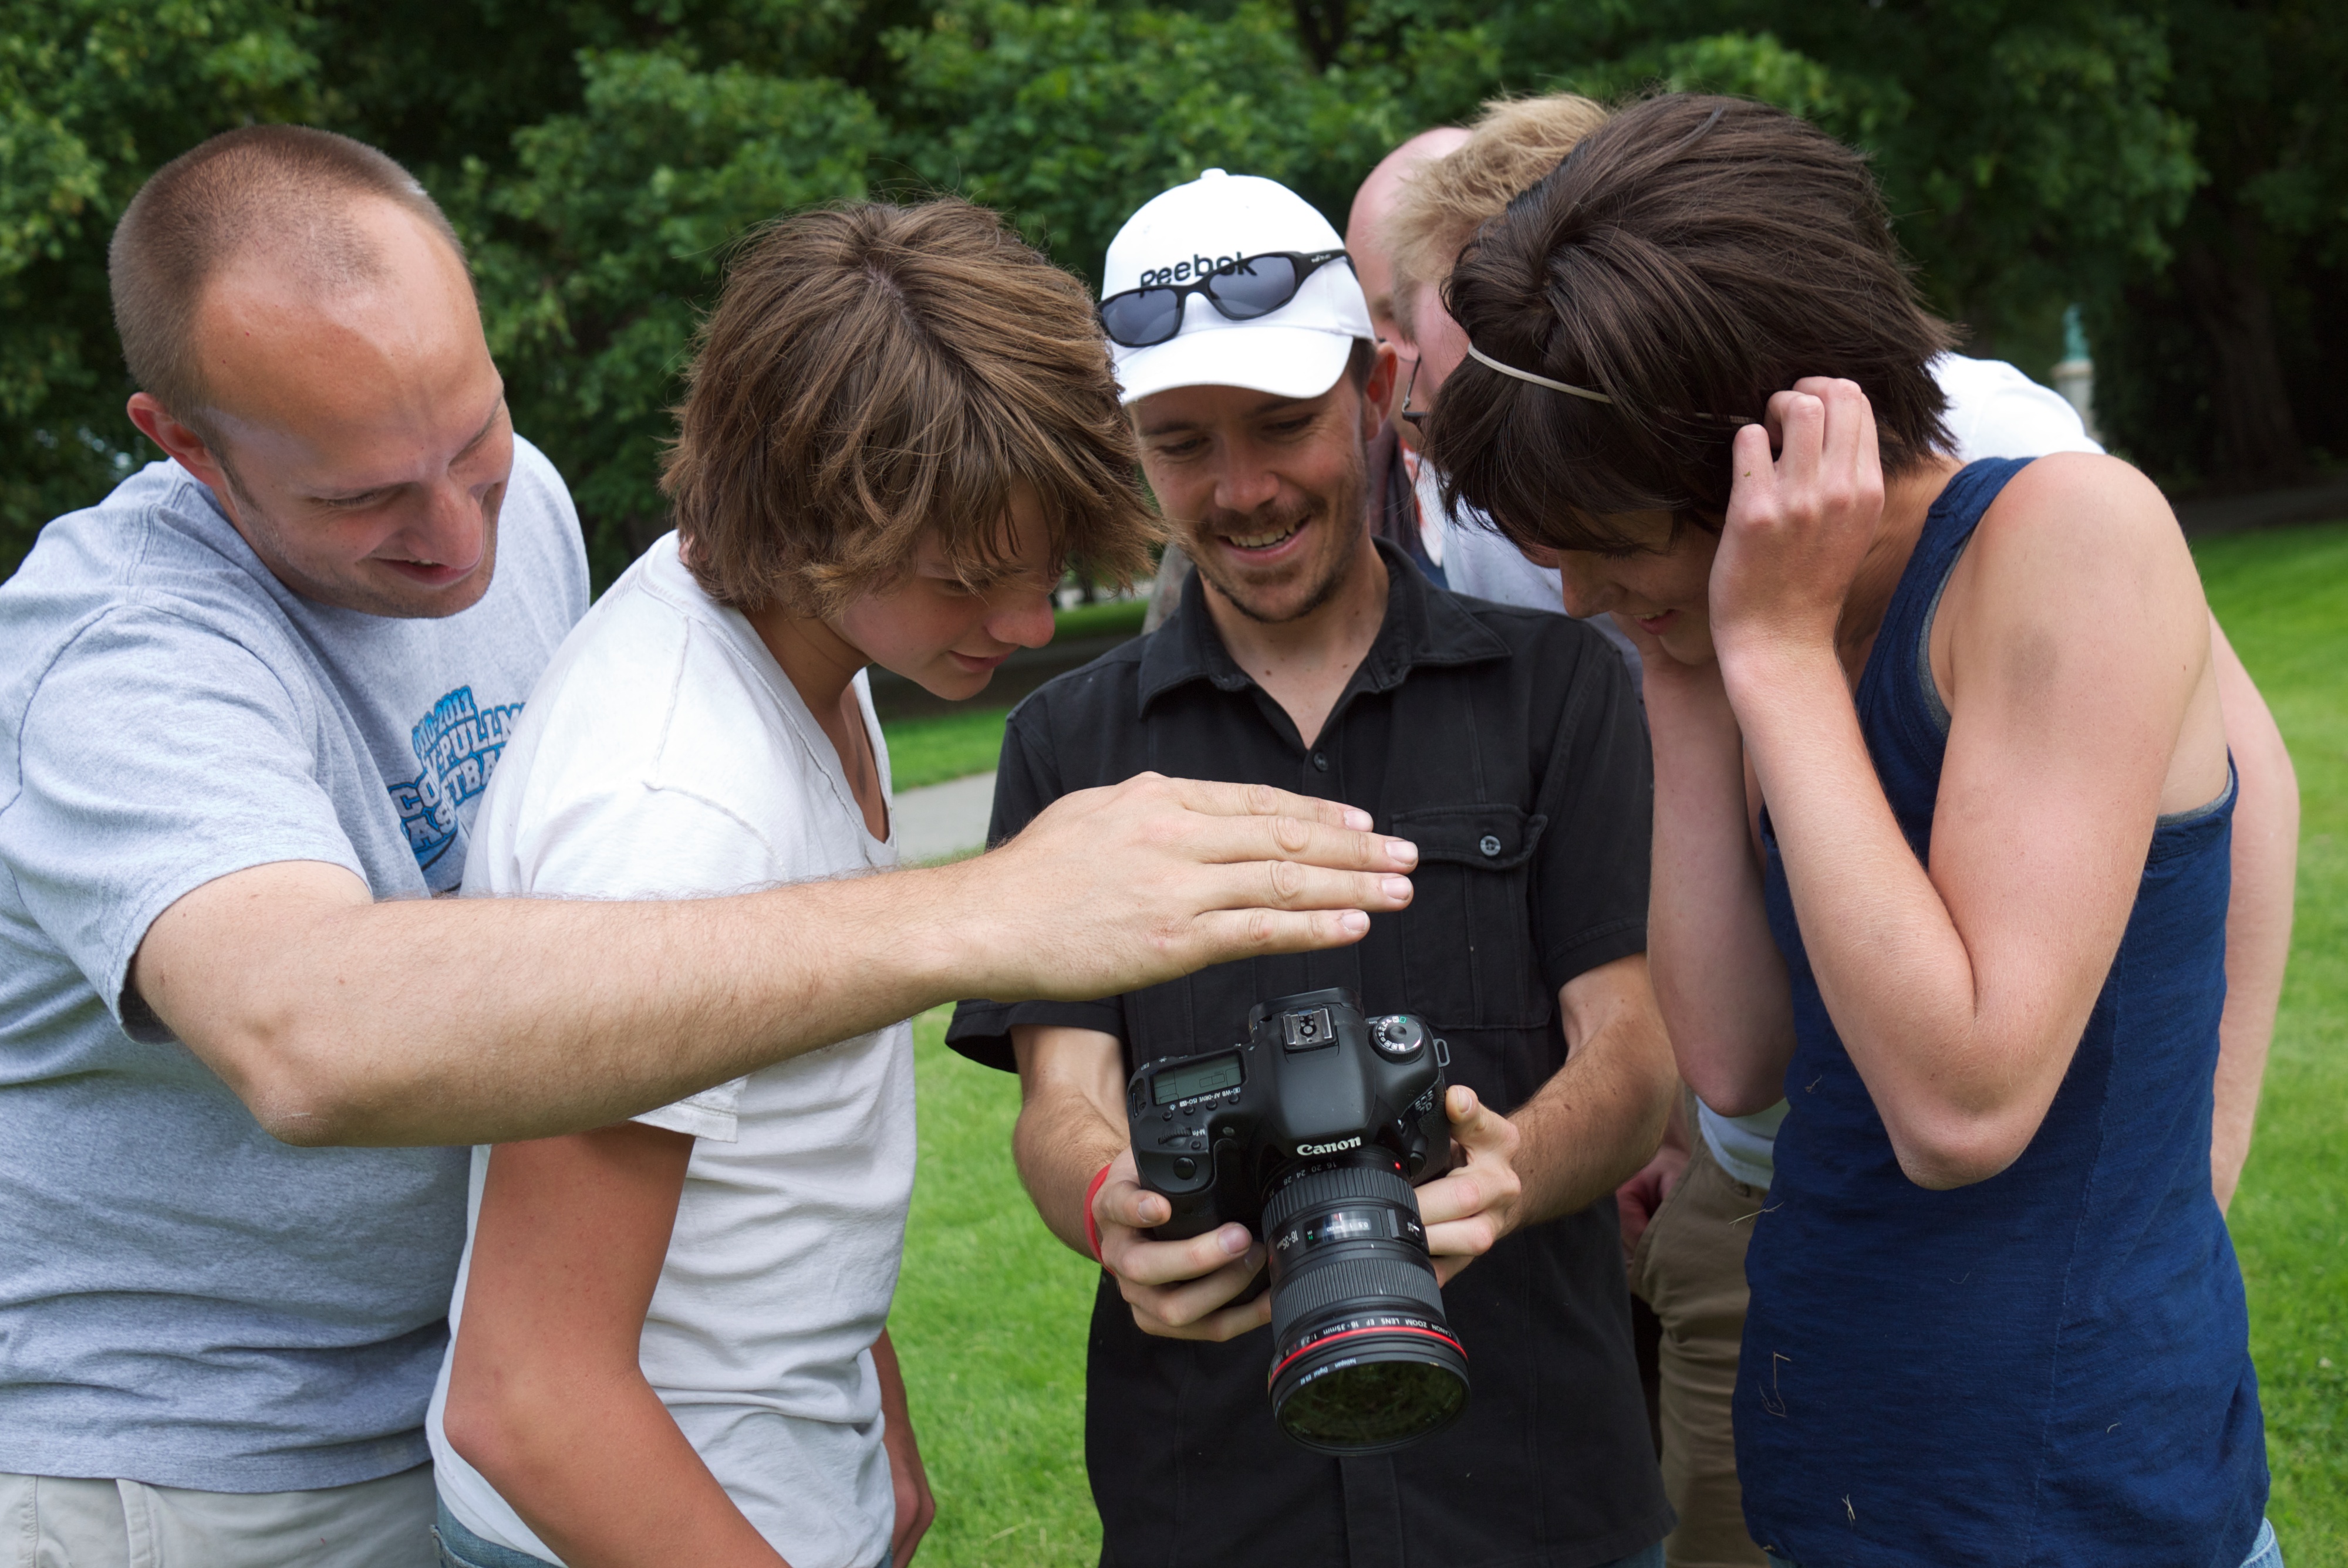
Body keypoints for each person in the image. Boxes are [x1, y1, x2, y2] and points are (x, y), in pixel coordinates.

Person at [0, 127, 1415, 1565]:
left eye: (477, 445)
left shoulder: (753, 597)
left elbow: (741, 1135)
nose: (458, 533)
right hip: (205, 1473)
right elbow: (484, 1311)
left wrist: (859, 1388)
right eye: (367, 497)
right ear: (184, 440)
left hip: (546, 1407)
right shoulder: (640, 798)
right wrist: (981, 912)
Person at [1374, 92, 2301, 1568]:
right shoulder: (1755, 644)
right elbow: (1736, 1057)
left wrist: (1772, 661)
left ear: (1768, 458)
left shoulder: (2066, 540)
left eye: (1609, 552)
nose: (1576, 602)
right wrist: (1689, 674)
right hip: (1850, 1479)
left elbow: (1960, 1106)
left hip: (2074, 1508)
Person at [949, 168, 1680, 1568]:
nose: (1239, 489)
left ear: (1375, 386)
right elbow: (1060, 1101)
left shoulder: (1559, 690)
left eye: (1282, 425)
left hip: (1532, 1485)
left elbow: (1635, 1048)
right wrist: (1110, 1211)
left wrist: (1510, 1170)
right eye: (1179, 443)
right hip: (1214, 1495)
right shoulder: (1068, 742)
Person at [421, 199, 1156, 1568]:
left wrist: (863, 1405)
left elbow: (769, 1132)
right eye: (964, 578)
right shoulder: (671, 814)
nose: (1028, 624)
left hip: (773, 1469)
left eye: (1044, 561)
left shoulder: (805, 642)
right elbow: (528, 1396)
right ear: (805, 510)